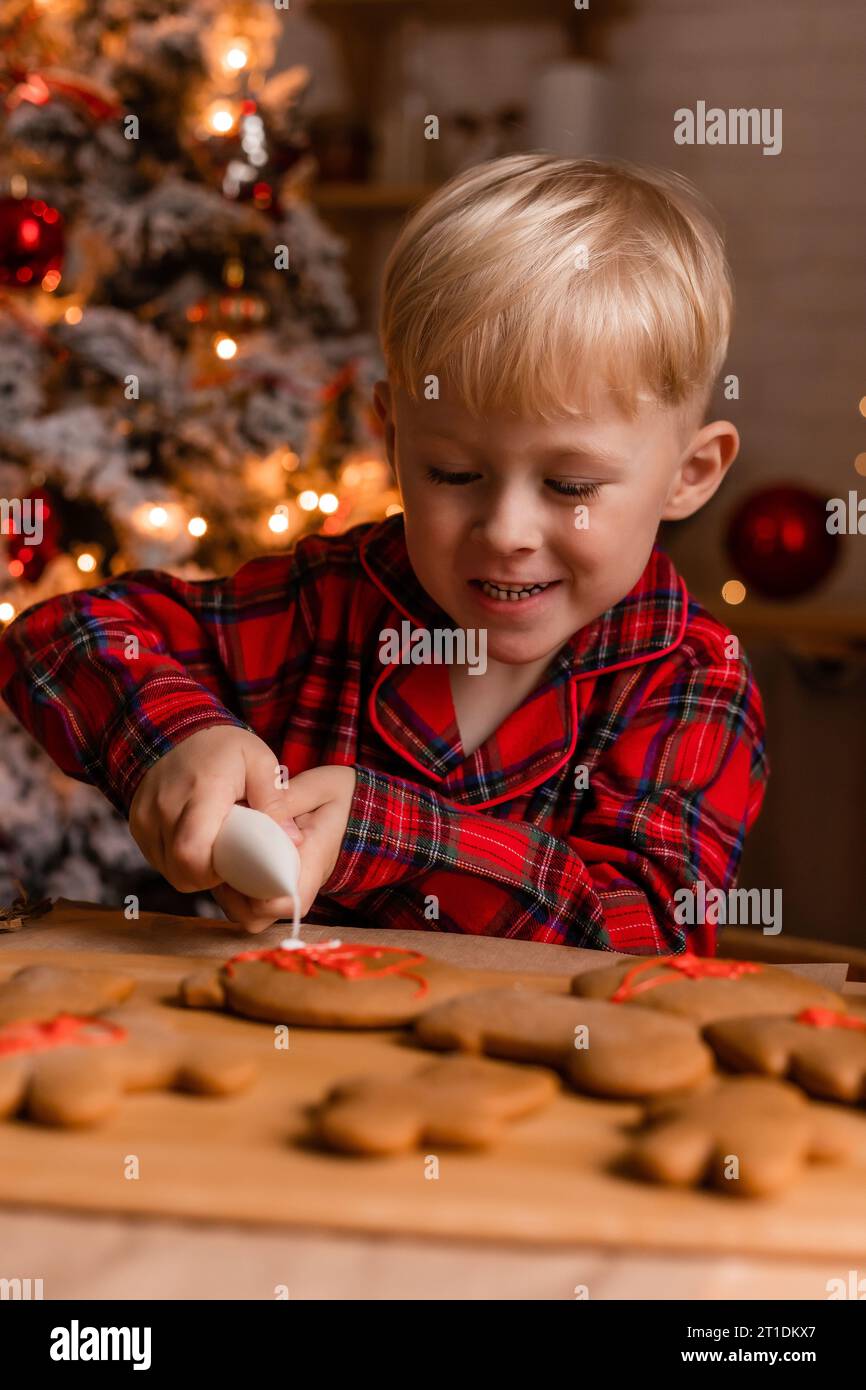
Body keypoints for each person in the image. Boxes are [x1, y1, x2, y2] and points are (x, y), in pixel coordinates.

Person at [0, 154, 768, 953]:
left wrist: (385, 835)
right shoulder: (326, 602)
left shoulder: (693, 678)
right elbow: (58, 637)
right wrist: (178, 737)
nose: (506, 529)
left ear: (689, 474)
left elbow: (646, 936)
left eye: (571, 485)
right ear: (394, 438)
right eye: (453, 473)